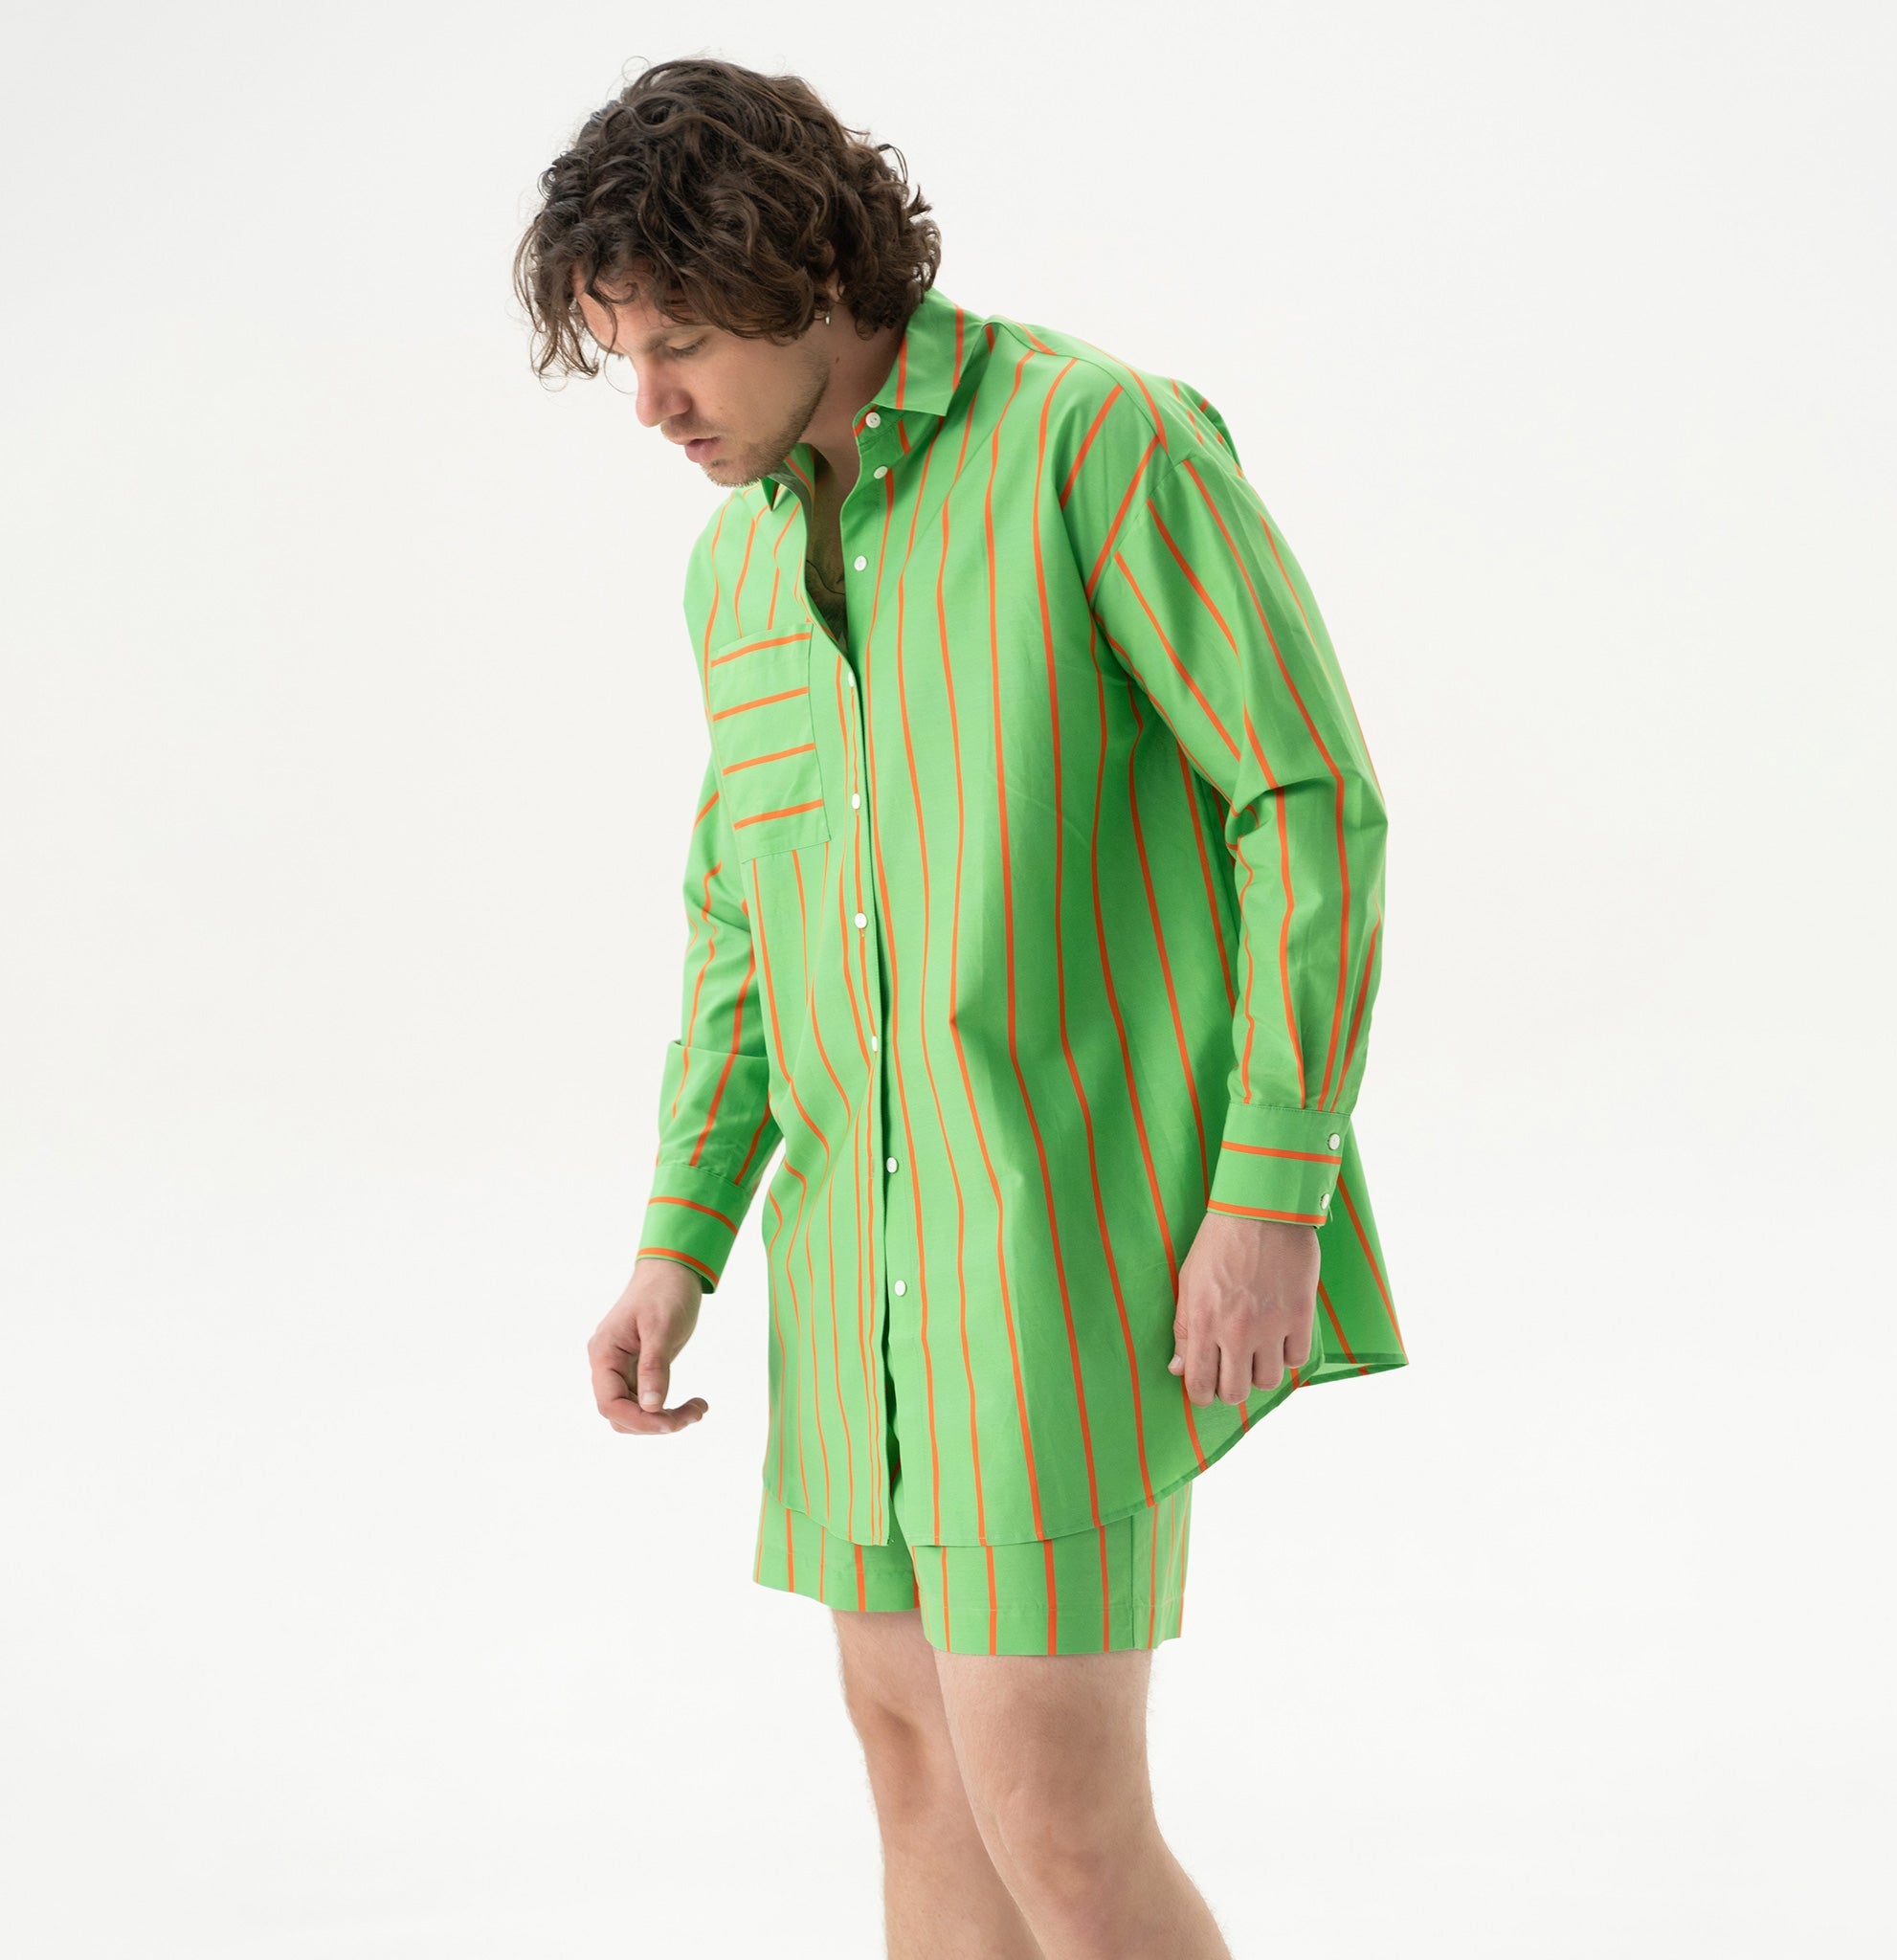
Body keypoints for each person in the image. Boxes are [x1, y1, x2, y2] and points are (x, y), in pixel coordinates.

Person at [514, 55, 1409, 1960]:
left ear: (801, 275)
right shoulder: (737, 573)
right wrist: (678, 1239)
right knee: (916, 1768)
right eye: (623, 357)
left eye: (678, 344)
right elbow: (742, 924)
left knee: (1060, 1826)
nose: (651, 404)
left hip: (1061, 1255)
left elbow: (1304, 801)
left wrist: (1272, 1188)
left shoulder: (1095, 443)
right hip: (856, 1280)